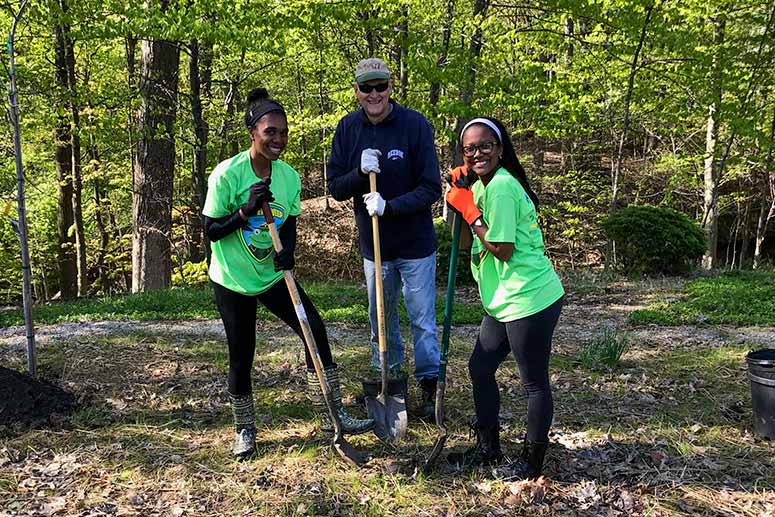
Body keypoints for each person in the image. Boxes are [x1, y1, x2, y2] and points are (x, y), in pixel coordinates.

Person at [203, 88, 374, 459]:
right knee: (242, 351)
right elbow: (212, 231)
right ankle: (244, 428)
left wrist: (289, 254)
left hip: (272, 275)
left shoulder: (289, 177)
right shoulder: (227, 175)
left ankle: (335, 415)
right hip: (232, 279)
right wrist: (246, 211)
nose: (278, 139)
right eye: (270, 132)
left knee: (314, 327)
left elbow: (290, 223)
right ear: (253, 133)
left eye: (283, 132)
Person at [444, 117, 564, 480]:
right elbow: (464, 241)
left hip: (530, 297)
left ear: (499, 148)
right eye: (469, 149)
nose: (477, 153)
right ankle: (488, 447)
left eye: (484, 146)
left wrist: (468, 209)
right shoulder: (482, 186)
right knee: (479, 369)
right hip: (503, 299)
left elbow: (503, 249)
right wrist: (456, 202)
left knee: (533, 383)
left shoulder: (502, 188)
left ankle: (531, 462)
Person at [326, 58, 442, 419]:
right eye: (367, 87)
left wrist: (389, 206)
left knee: (422, 318)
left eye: (381, 86)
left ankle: (428, 385)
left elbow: (431, 188)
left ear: (391, 87)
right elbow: (335, 188)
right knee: (381, 319)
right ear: (357, 91)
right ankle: (389, 381)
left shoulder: (414, 125)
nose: (374, 94)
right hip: (374, 248)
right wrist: (360, 174)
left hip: (416, 244)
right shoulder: (347, 130)